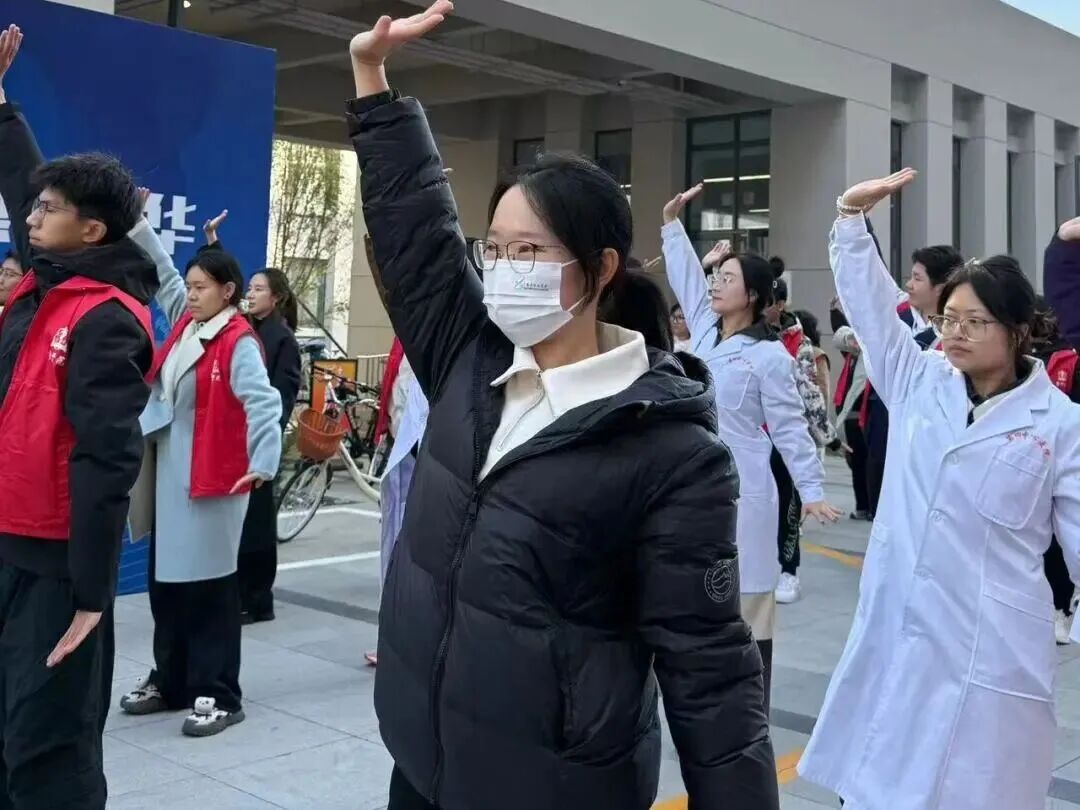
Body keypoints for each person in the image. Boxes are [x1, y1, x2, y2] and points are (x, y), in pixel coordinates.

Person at [348, 5, 778, 808]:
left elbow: (709, 669)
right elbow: (416, 235)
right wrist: (373, 82)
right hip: (422, 762)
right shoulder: (471, 359)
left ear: (600, 267)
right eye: (496, 249)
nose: (504, 269)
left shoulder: (671, 451)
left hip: (553, 787)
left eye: (530, 251)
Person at [800, 169, 1080, 810]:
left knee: (973, 789)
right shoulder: (918, 379)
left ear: (1018, 330)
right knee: (878, 780)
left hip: (993, 647)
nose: (955, 333)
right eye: (949, 318)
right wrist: (850, 220)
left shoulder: (1060, 424)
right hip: (900, 622)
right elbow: (873, 309)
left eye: (974, 322)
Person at [0, 25, 159, 810]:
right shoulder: (46, 287)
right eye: (34, 209)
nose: (31, 218)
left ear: (92, 232)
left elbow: (107, 458)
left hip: (57, 568)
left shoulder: (106, 318)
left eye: (50, 210)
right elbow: (20, 184)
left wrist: (92, 596)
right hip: (6, 544)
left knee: (48, 743)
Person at [662, 183, 840, 709]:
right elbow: (686, 278)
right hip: (693, 486)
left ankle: (749, 706)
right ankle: (701, 698)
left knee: (749, 605)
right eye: (716, 276)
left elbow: (789, 430)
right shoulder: (705, 333)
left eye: (728, 279)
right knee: (699, 596)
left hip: (746, 491)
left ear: (755, 296)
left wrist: (811, 491)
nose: (716, 284)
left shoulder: (770, 358)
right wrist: (672, 225)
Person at [119, 207, 281, 738]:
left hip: (213, 484)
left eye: (201, 287)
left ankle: (219, 693)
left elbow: (263, 403)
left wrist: (262, 463)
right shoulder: (188, 325)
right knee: (166, 589)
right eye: (189, 287)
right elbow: (165, 275)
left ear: (227, 292)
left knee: (210, 593)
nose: (189, 294)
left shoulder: (237, 341)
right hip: (171, 479)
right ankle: (172, 681)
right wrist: (139, 225)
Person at [200, 211, 302, 625]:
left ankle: (259, 599)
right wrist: (213, 244)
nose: (251, 294)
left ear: (276, 298)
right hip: (234, 442)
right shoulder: (244, 328)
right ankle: (238, 594)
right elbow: (223, 285)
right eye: (251, 288)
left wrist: (263, 442)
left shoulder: (282, 339)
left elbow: (281, 397)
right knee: (237, 525)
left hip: (258, 444)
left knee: (257, 526)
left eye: (259, 289)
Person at [1029, 296, 1080, 644]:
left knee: (1061, 543)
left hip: (1062, 457)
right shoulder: (1020, 364)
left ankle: (1062, 607)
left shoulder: (1068, 360)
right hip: (1029, 461)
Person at [907, 245, 964, 348]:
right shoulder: (898, 313)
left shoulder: (956, 335)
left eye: (917, 279)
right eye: (911, 277)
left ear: (941, 289)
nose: (908, 285)